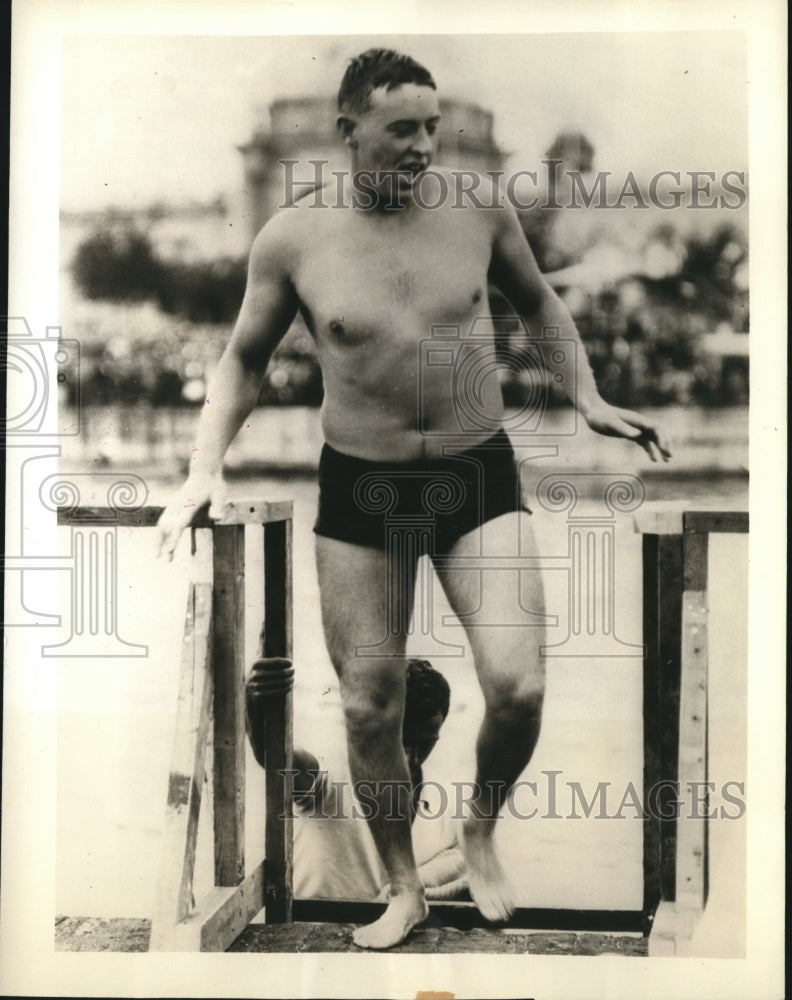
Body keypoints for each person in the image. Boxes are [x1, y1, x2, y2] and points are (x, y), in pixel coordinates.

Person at [157, 48, 672, 948]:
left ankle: (477, 828)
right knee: (369, 705)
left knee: (518, 687)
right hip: (362, 485)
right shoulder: (292, 239)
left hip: (475, 473)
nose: (425, 147)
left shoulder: (478, 212)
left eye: (434, 128)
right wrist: (206, 469)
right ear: (348, 131)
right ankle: (401, 887)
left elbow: (544, 305)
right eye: (403, 130)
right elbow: (241, 359)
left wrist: (585, 396)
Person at [245, 657, 467, 902]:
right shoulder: (328, 775)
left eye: (425, 744)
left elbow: (463, 859)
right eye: (401, 741)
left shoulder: (442, 803)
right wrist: (255, 704)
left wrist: (421, 880)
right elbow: (273, 755)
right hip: (312, 935)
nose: (410, 757)